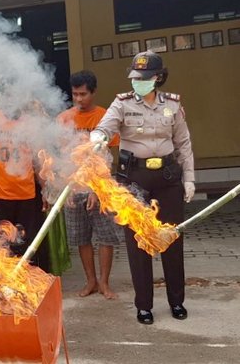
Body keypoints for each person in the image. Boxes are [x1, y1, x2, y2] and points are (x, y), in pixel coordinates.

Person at [91, 51, 195, 324]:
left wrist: (189, 179)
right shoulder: (122, 103)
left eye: (145, 78)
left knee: (171, 239)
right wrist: (98, 137)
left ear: (158, 78)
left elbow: (183, 143)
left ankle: (176, 301)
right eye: (135, 77)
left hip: (168, 178)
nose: (138, 82)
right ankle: (144, 306)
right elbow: (105, 127)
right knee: (138, 244)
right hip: (134, 179)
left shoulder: (172, 105)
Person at [58, 70, 123, 299]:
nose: (78, 99)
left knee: (106, 236)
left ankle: (105, 283)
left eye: (83, 94)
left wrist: (98, 187)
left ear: (93, 93)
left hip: (101, 187)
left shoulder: (106, 117)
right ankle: (91, 282)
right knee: (81, 237)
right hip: (74, 187)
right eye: (75, 94)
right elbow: (60, 157)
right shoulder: (64, 119)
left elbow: (110, 158)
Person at [0, 90, 50, 272]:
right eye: (9, 94)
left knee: (29, 244)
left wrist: (45, 189)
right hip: (0, 195)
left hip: (28, 195)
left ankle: (31, 284)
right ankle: (4, 282)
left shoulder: (31, 124)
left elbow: (37, 160)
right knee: (2, 245)